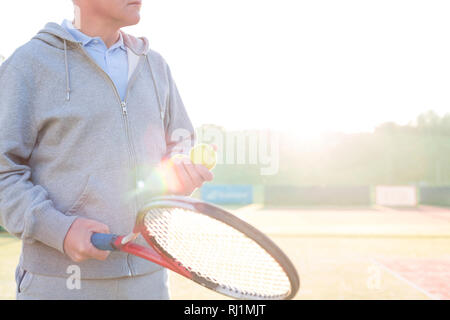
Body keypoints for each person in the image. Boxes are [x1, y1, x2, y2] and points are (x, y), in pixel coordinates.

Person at [0, 0, 213, 299]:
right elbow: (3, 173)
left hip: (149, 278)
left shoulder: (156, 66)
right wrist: (58, 230)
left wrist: (179, 171)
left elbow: (180, 144)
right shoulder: (28, 65)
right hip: (60, 284)